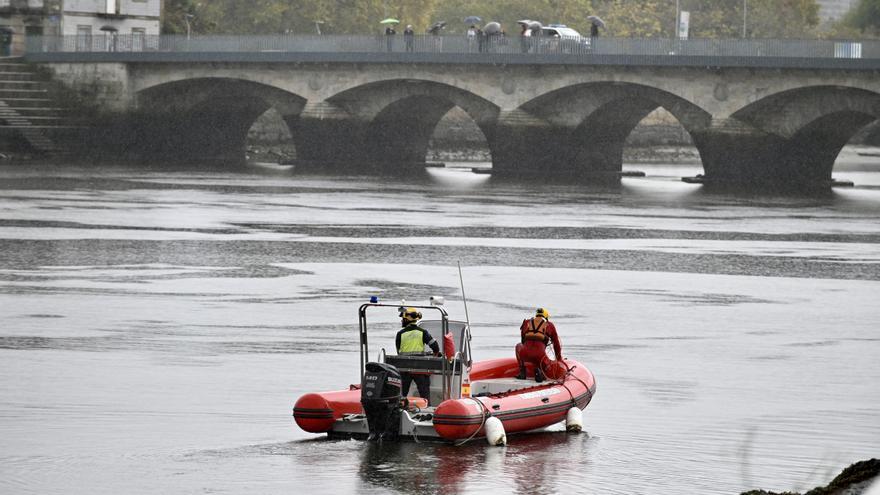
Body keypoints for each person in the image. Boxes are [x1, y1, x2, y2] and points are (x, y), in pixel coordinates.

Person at [396, 307, 441, 401]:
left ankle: (400, 409)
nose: (401, 321)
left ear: (406, 319)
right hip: (419, 368)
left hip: (404, 369)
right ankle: (426, 410)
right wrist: (435, 355)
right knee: (424, 395)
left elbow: (399, 351)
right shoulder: (423, 332)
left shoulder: (400, 334)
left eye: (402, 319)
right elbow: (435, 347)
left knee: (401, 394)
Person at [515, 308, 562, 382]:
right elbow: (556, 344)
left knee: (518, 346)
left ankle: (522, 372)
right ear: (546, 317)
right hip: (540, 356)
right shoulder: (549, 325)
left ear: (536, 315)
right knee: (545, 364)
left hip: (525, 354)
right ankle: (540, 372)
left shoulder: (526, 322)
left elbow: (523, 341)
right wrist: (559, 359)